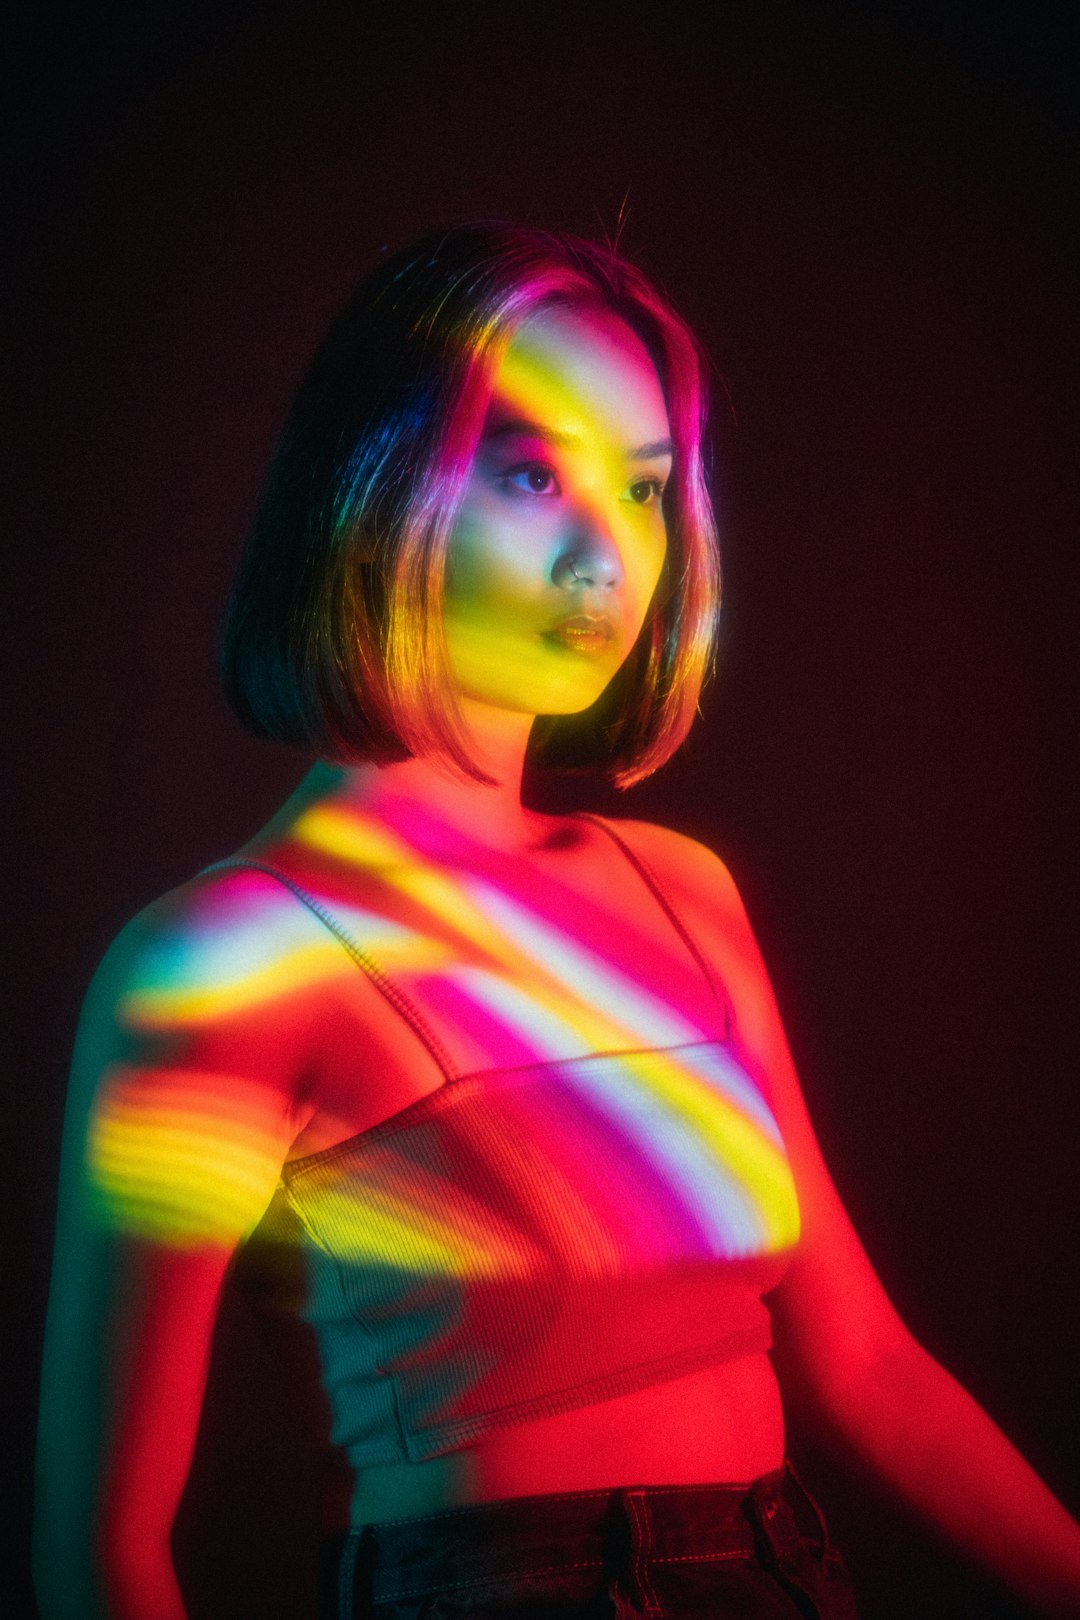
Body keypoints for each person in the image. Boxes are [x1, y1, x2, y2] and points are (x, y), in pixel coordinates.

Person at [33, 224, 1080, 1620]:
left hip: (787, 1576)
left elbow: (868, 1367)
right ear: (375, 493)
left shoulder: (683, 890)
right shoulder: (224, 969)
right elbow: (98, 1553)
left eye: (643, 489)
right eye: (532, 473)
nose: (609, 552)